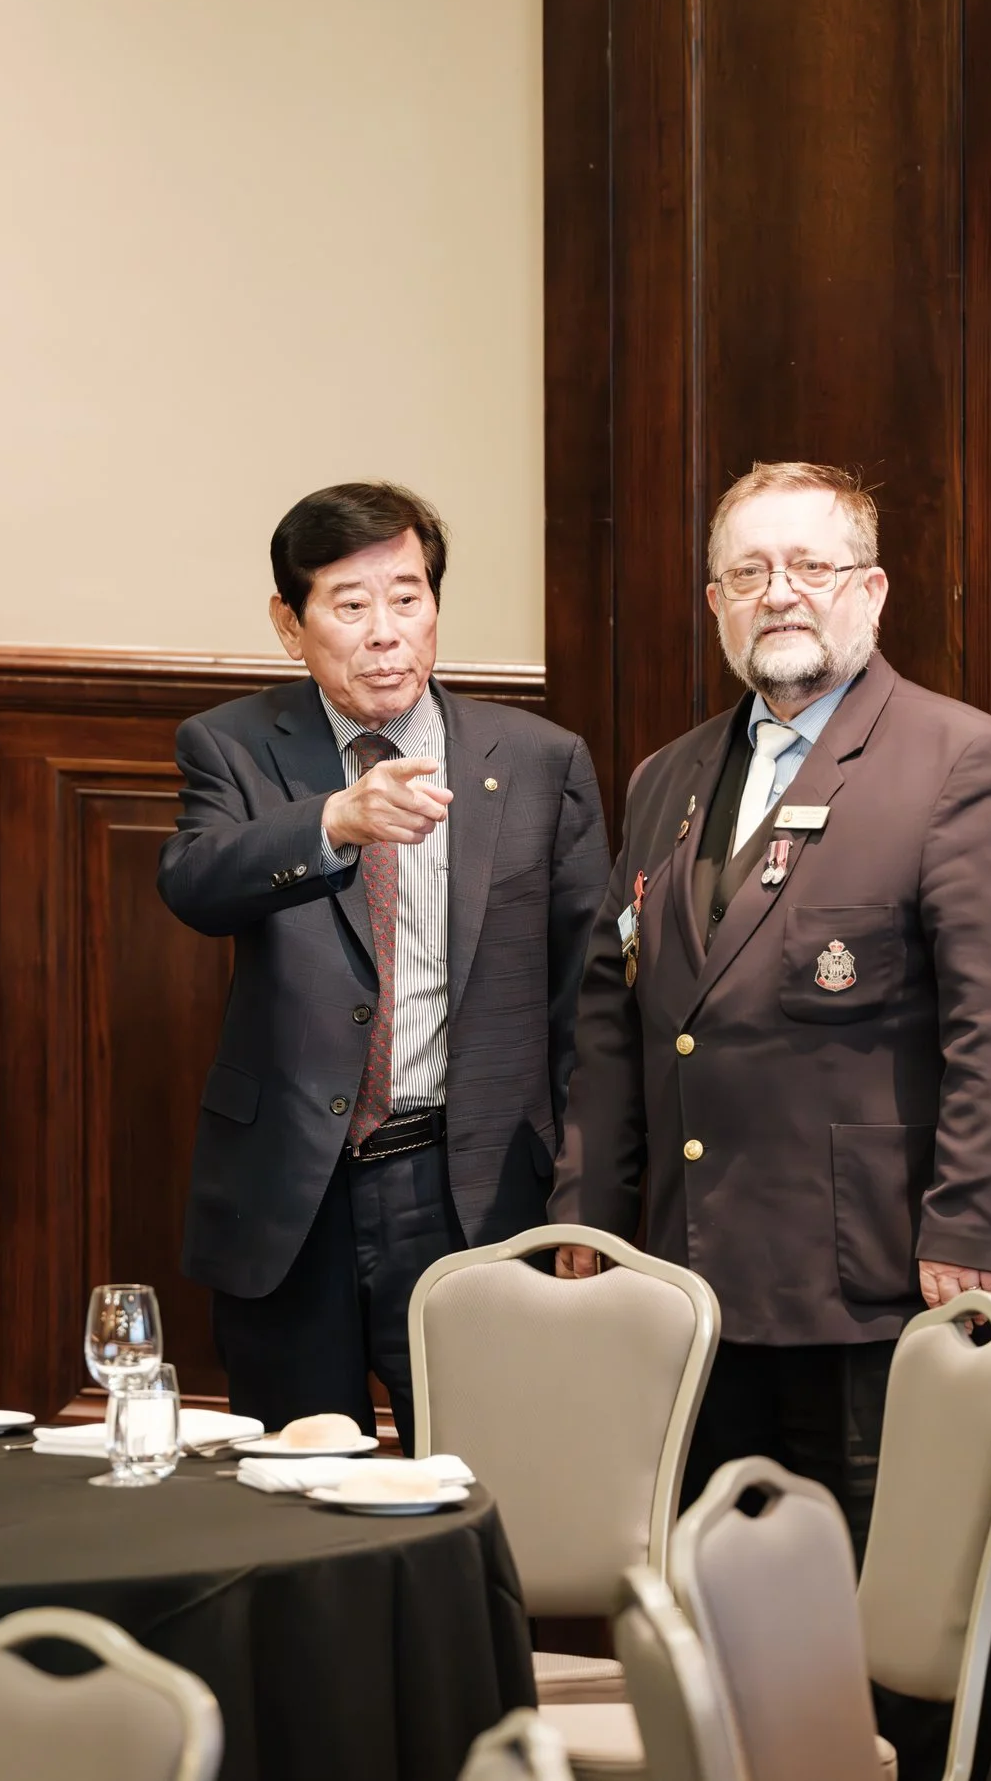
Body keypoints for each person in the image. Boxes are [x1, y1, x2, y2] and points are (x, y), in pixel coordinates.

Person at [551, 460, 991, 1778]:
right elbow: (619, 1019)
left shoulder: (965, 763)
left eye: (812, 567)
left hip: (889, 1289)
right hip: (698, 1289)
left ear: (872, 592)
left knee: (901, 1661)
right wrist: (588, 1224)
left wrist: (967, 1231)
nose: (779, 593)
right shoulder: (669, 778)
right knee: (734, 1650)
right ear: (714, 602)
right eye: (749, 572)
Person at [159, 481, 609, 1446]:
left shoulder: (540, 760)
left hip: (469, 1185)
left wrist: (583, 1195)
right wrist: (333, 820)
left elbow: (587, 1001)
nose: (384, 633)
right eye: (350, 604)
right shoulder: (232, 745)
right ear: (291, 624)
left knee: (479, 1476)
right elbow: (195, 884)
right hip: (293, 1194)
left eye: (407, 598)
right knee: (289, 1483)